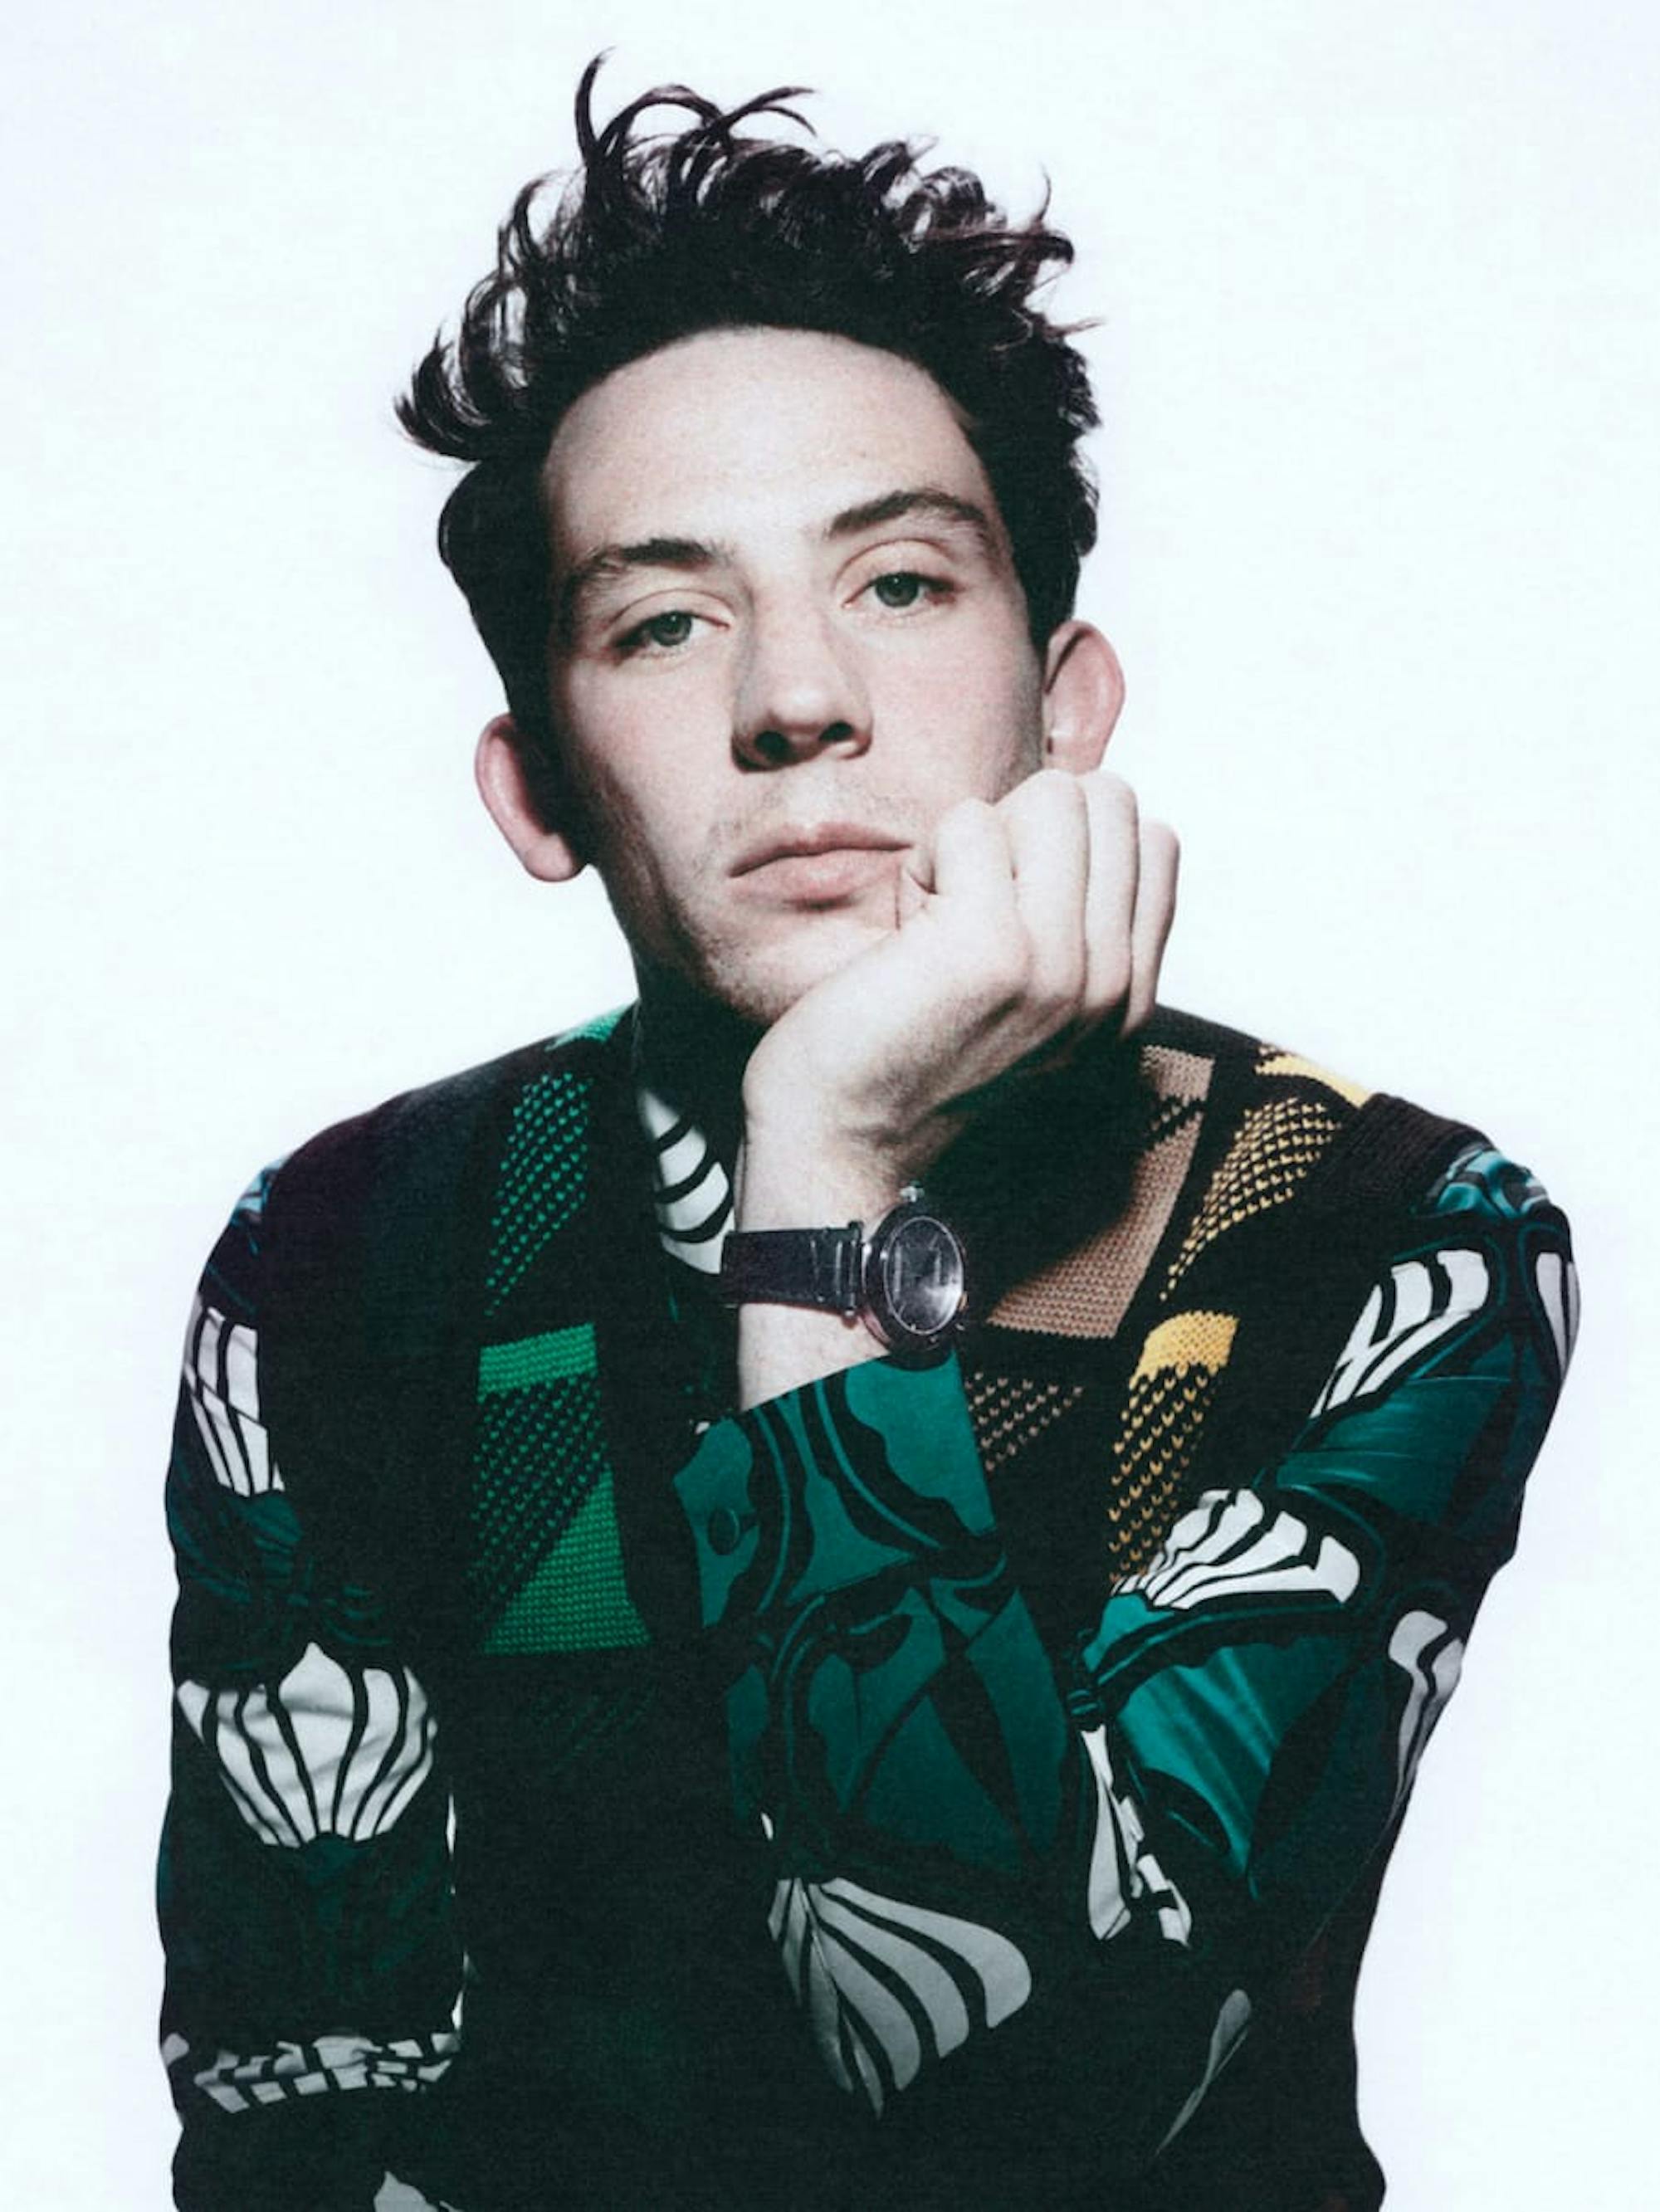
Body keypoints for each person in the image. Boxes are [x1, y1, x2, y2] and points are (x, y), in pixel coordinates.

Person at [158, 61, 1576, 2212]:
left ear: (1067, 695)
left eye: (902, 583)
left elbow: (1021, 2081)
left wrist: (822, 1174)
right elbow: (297, 2102)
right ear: (538, 786)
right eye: (663, 619)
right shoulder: (356, 1251)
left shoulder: (1384, 1234)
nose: (796, 697)